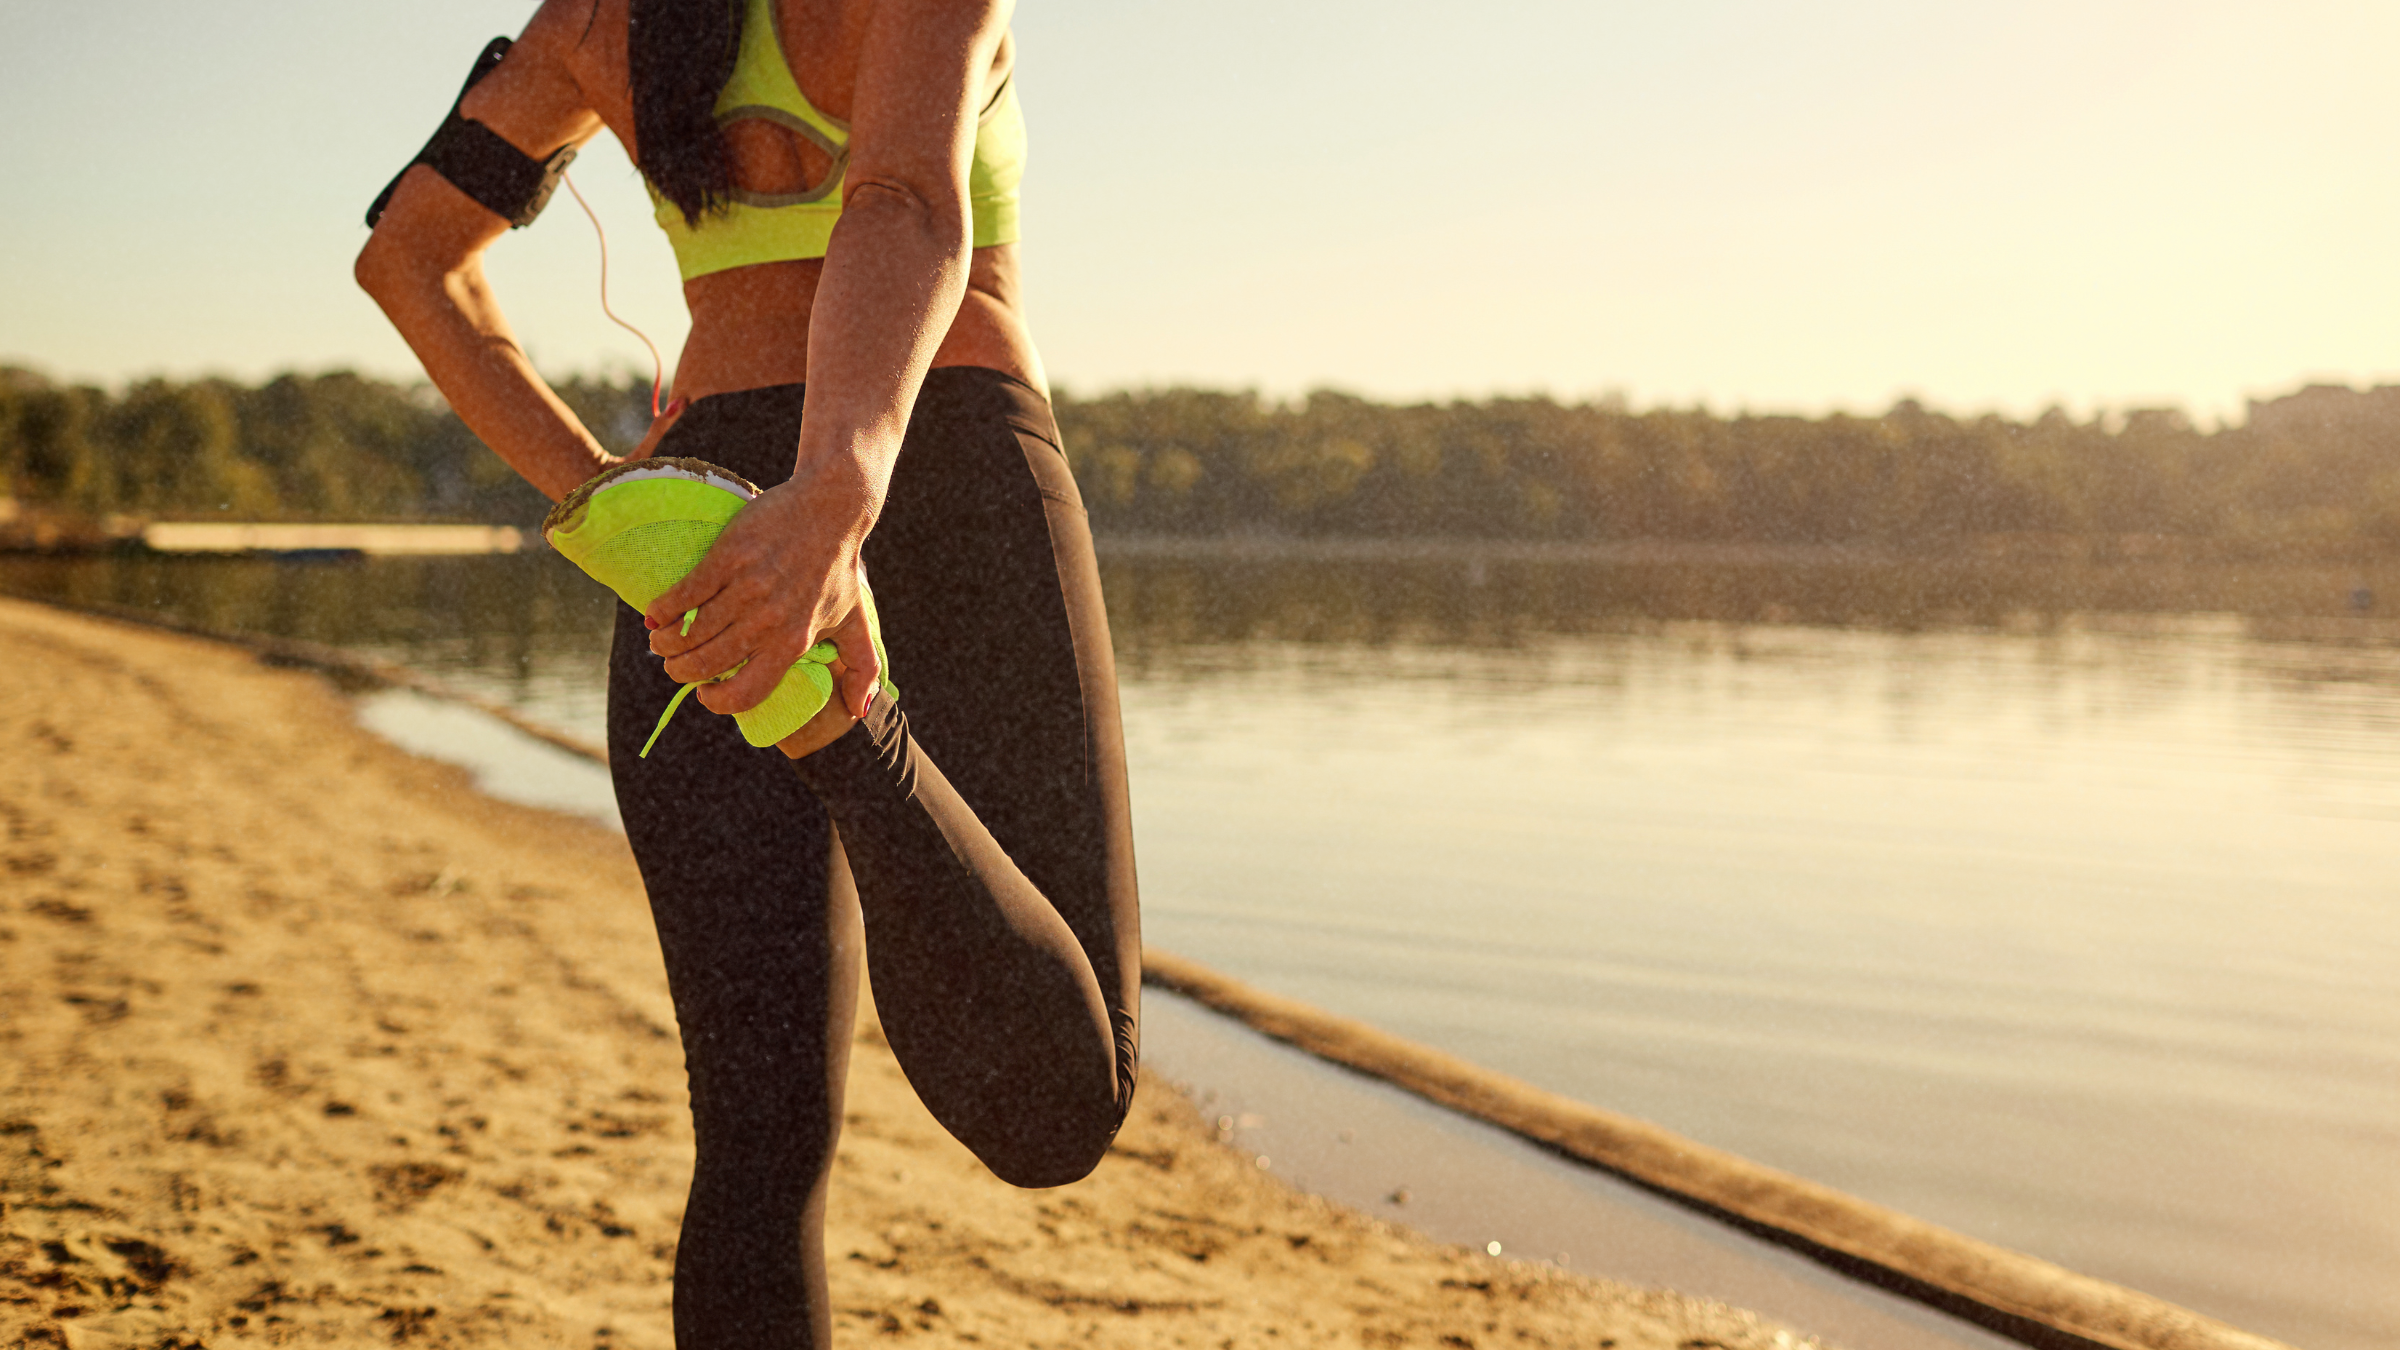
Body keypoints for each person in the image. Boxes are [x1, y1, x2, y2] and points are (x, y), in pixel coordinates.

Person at [353, 1, 1141, 1345]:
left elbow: (406, 260)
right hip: (940, 467)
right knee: (1063, 1100)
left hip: (703, 522)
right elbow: (900, 200)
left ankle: (842, 731)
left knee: (758, 1152)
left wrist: (609, 502)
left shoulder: (599, 22)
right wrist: (837, 492)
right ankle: (853, 734)